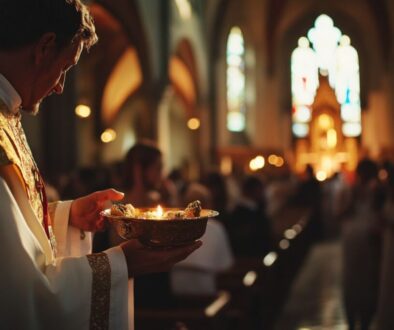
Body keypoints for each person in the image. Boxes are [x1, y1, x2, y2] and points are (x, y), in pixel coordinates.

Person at [0, 1, 200, 329]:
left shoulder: (8, 114)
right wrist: (122, 264)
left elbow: (15, 232)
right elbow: (18, 294)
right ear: (44, 47)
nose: (62, 86)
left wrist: (66, 214)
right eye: (64, 67)